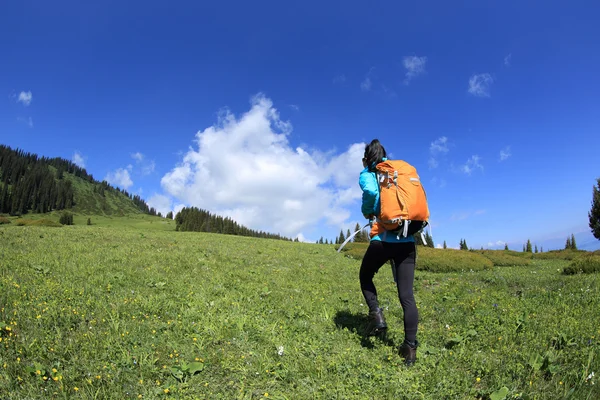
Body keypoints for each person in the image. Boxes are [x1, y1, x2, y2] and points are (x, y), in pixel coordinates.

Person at [358, 139, 419, 366]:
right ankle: (410, 349)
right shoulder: (397, 171)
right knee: (407, 296)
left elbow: (372, 194)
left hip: (382, 240)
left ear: (367, 158)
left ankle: (376, 314)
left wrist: (367, 211)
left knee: (365, 276)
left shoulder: (368, 172)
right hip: (407, 240)